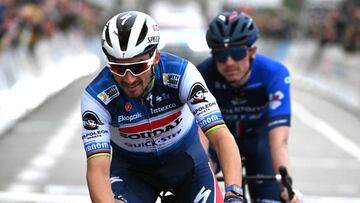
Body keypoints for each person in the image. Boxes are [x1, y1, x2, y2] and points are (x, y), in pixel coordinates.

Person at [80, 11, 244, 203]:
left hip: (187, 165)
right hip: (133, 173)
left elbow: (221, 136)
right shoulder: (96, 96)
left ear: (155, 57)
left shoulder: (181, 73)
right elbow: (97, 170)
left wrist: (234, 194)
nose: (129, 78)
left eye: (138, 67)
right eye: (118, 68)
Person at [197, 11, 302, 203]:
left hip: (258, 143)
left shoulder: (273, 73)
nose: (229, 62)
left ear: (252, 51)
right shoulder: (201, 74)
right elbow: (200, 138)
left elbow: (279, 141)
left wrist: (287, 187)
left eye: (237, 53)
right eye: (220, 55)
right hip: (218, 141)